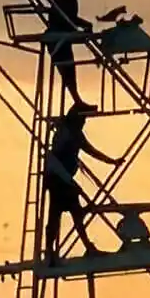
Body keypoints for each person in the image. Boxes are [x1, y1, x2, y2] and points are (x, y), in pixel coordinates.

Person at [43, 101, 116, 263]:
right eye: (83, 119)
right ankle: (50, 251)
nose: (84, 122)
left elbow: (90, 150)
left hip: (64, 179)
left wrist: (111, 161)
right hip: (59, 180)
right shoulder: (67, 133)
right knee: (57, 215)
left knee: (70, 213)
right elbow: (56, 158)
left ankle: (78, 248)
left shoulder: (73, 133)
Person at [46, 0, 95, 111]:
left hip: (62, 39)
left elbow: (70, 21)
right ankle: (77, 101)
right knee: (67, 71)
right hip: (57, 40)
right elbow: (68, 20)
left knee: (70, 72)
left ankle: (77, 100)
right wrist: (85, 26)